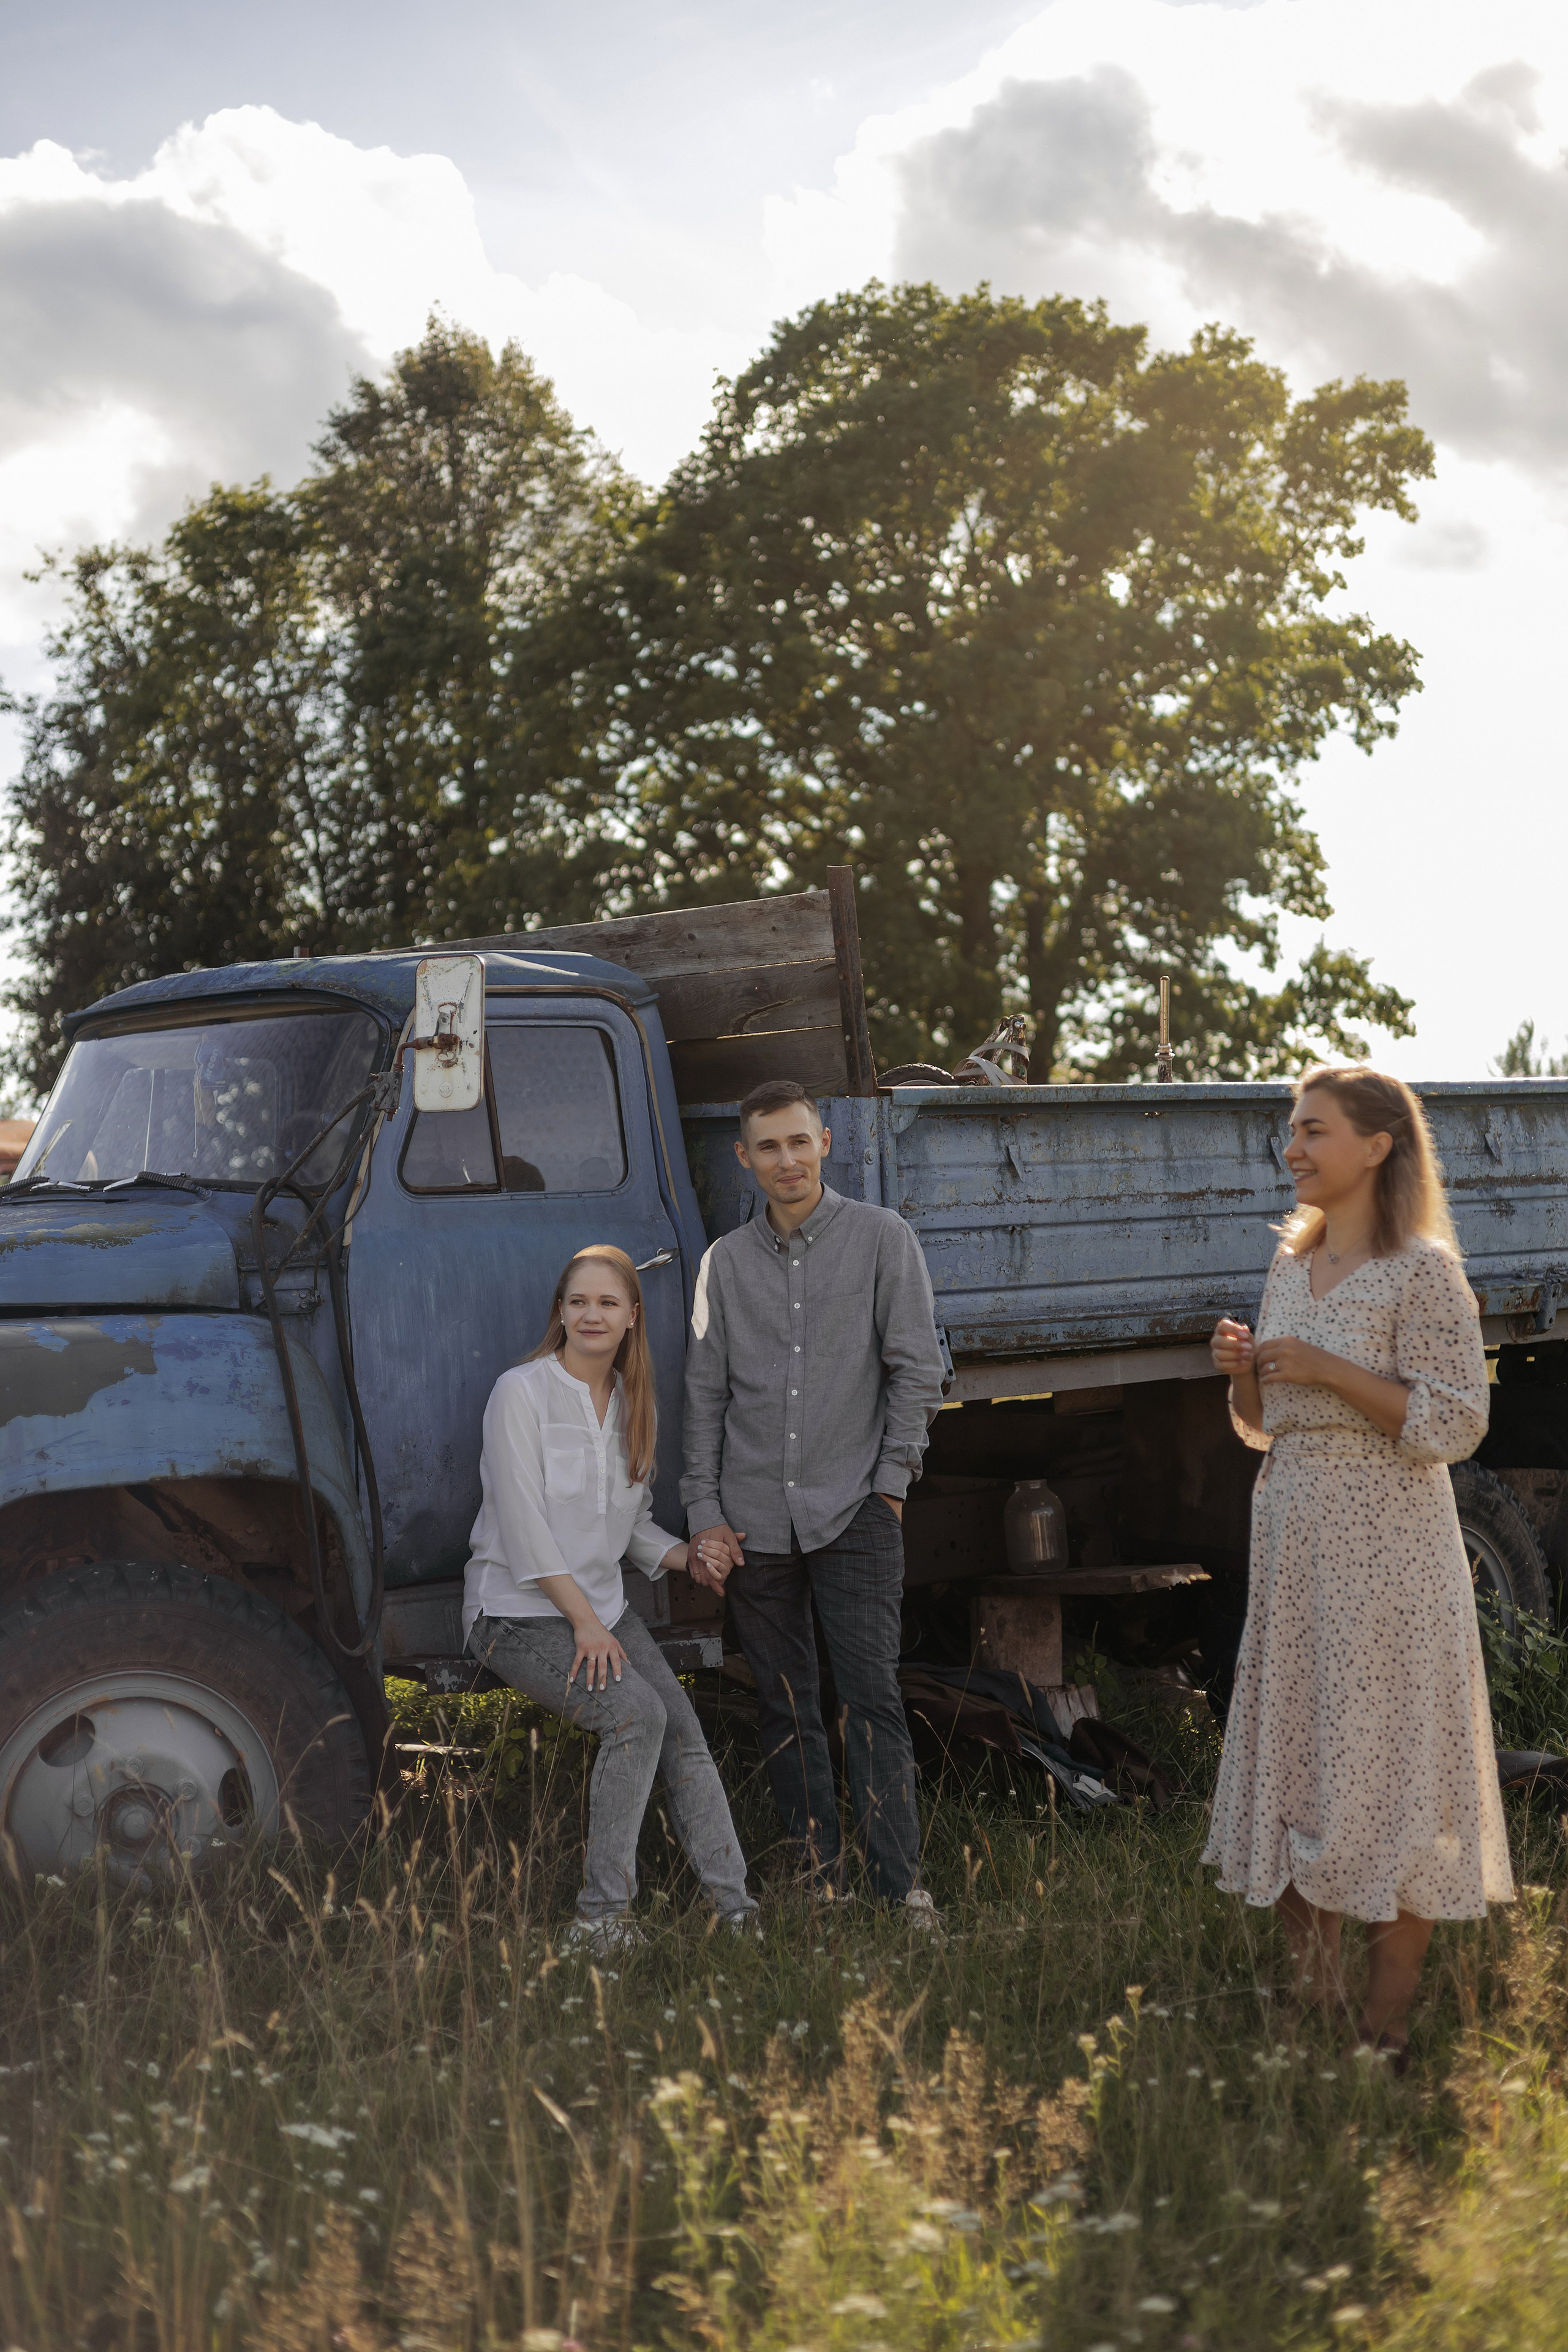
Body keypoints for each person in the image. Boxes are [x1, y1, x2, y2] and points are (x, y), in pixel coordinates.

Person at [1204, 1066, 1512, 2067]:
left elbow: (1458, 1423)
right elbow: (1263, 1428)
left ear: (1378, 1145)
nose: (1292, 1148)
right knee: (1300, 1775)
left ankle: (1384, 2038)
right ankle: (1313, 2023)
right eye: (1292, 1132)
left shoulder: (1423, 1271)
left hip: (1391, 1558)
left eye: (1312, 1131)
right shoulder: (1291, 1265)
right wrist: (1246, 1373)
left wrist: (1331, 1367)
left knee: (1388, 1784)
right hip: (1295, 1544)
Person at [682, 1078, 948, 1924]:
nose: (786, 1161)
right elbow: (706, 1398)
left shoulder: (882, 1239)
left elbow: (917, 1369)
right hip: (754, 1516)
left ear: (825, 1142)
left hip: (856, 1506)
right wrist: (704, 1514)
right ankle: (816, 1879)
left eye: (799, 1142)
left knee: (870, 1696)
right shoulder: (723, 1264)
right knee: (785, 1705)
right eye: (769, 1147)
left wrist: (891, 1487)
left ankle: (899, 1887)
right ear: (745, 1158)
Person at [464, 1245, 755, 1954]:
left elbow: (629, 1527)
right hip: (516, 1612)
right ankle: (601, 1921)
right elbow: (526, 1532)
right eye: (577, 1302)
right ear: (560, 1314)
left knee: (683, 1734)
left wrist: (693, 1558)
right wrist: (588, 1624)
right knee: (634, 1717)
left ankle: (737, 1913)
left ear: (632, 1317)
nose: (590, 1315)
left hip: (599, 1611)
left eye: (605, 1303)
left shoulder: (629, 1405)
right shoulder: (521, 1393)